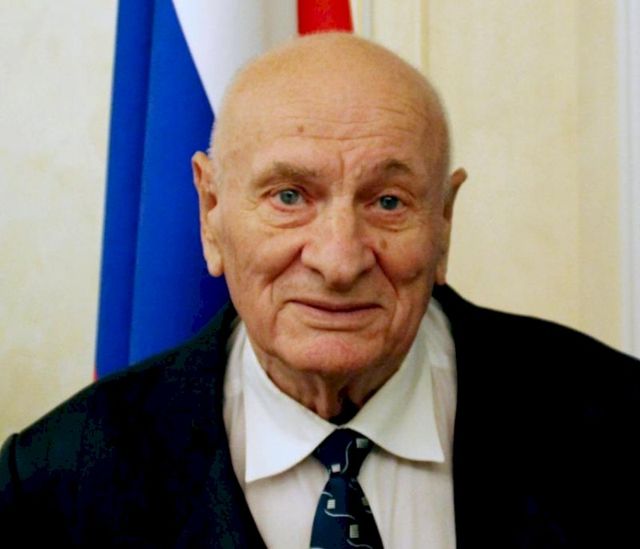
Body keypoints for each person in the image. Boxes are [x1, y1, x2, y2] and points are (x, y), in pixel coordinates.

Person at [1, 32, 639, 548]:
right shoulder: (57, 482)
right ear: (211, 211)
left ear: (443, 222)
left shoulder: (620, 424)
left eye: (388, 201)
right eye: (288, 197)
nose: (338, 261)